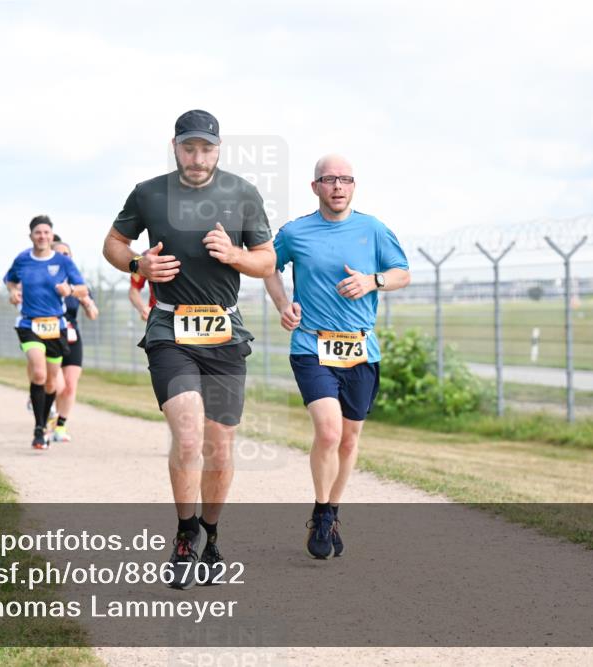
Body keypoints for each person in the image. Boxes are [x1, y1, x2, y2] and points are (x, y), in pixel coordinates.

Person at [103, 109, 275, 589]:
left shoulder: (242, 194)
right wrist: (138, 262)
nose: (197, 157)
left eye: (207, 148)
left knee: (220, 446)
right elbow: (113, 244)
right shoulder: (149, 193)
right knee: (189, 434)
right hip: (169, 330)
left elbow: (267, 261)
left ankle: (212, 536)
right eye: (189, 147)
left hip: (223, 335)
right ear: (175, 146)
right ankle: (184, 533)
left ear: (219, 149)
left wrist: (237, 255)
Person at [264, 154, 410, 559]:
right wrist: (283, 304)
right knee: (328, 432)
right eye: (330, 180)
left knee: (349, 440)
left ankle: (328, 511)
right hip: (312, 345)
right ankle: (323, 510)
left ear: (354, 185)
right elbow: (266, 266)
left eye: (346, 179)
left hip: (361, 348)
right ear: (316, 187)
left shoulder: (373, 229)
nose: (338, 187)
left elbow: (402, 272)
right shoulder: (295, 232)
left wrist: (372, 280)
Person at [4, 216, 89, 450]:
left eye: (46, 232)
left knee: (52, 382)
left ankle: (44, 423)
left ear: (52, 236)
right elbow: (9, 280)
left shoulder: (63, 262)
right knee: (39, 374)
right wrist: (13, 292)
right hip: (29, 324)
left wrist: (69, 289)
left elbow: (82, 288)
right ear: (31, 235)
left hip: (56, 326)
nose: (42, 236)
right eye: (38, 232)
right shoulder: (23, 259)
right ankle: (39, 428)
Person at [52, 241, 99, 442]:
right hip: (49, 335)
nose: (64, 257)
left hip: (72, 335)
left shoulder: (78, 284)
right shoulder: (44, 282)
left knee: (70, 385)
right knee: (57, 385)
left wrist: (87, 303)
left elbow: (94, 314)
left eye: (67, 254)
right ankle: (47, 410)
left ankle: (60, 426)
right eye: (59, 254)